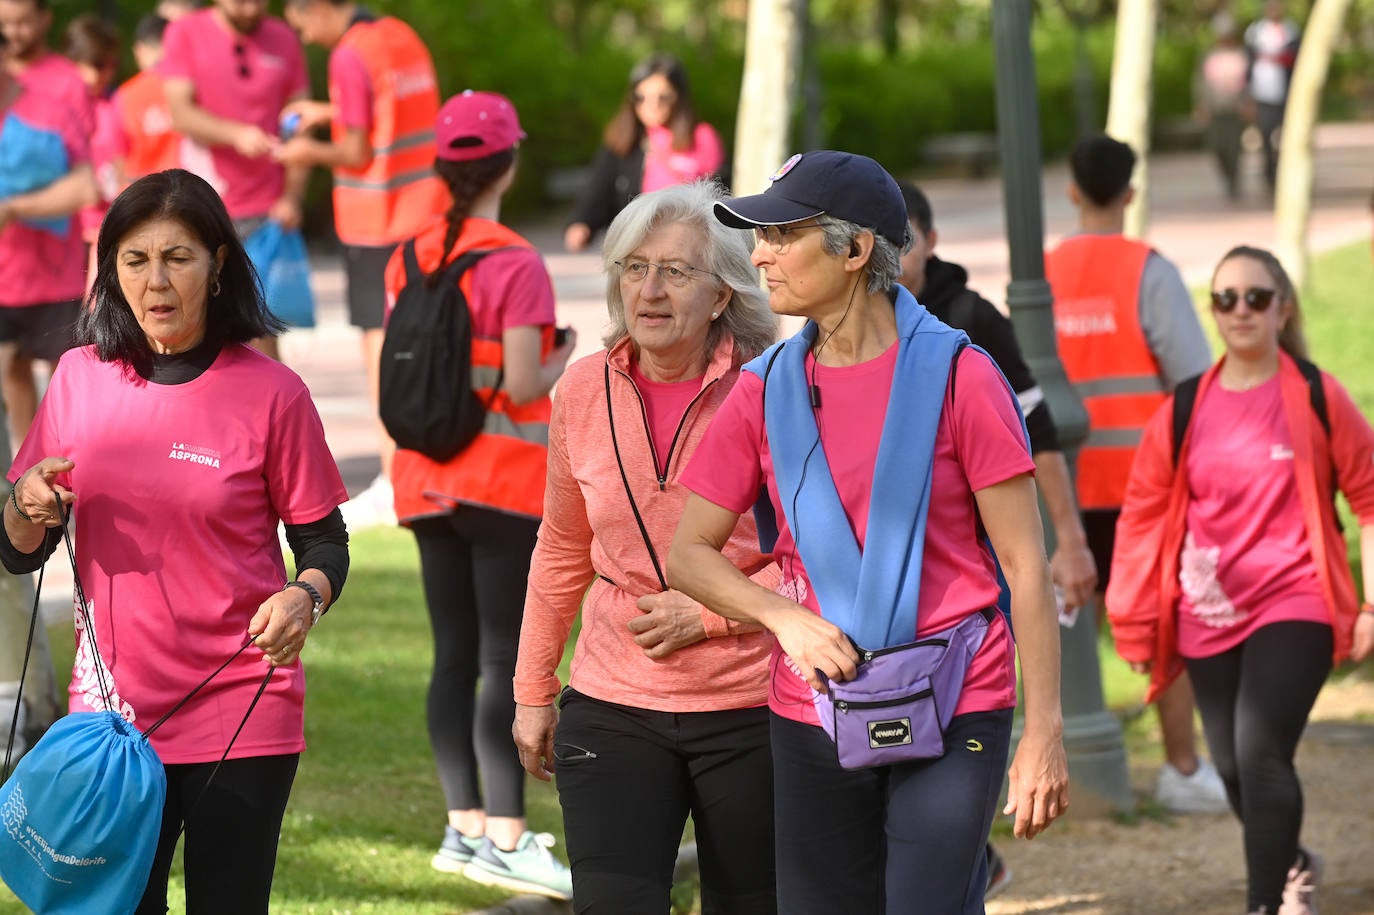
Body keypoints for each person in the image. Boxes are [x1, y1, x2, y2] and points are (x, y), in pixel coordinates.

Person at [667, 150, 1070, 913]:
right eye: (761, 236)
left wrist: (1044, 728)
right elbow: (687, 553)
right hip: (814, 704)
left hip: (959, 697)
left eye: (784, 234)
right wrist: (785, 619)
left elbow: (1025, 566)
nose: (759, 254)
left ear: (855, 251)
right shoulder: (760, 392)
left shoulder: (964, 375)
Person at [0, 168, 350, 914]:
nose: (156, 281)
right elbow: (18, 548)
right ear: (112, 271)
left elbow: (325, 544)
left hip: (243, 704)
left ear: (218, 263)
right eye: (135, 259)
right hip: (110, 718)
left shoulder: (272, 394)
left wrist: (304, 595)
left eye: (178, 257)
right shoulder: (76, 379)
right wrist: (25, 503)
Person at [512, 181, 779, 912]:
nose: (650, 290)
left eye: (676, 271)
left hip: (753, 699)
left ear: (722, 295)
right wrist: (532, 691)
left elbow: (820, 559)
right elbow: (562, 549)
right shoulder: (581, 390)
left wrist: (714, 614)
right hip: (613, 698)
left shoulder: (774, 392)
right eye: (635, 268)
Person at [1107, 245, 1374, 915]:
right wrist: (1135, 616)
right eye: (1226, 298)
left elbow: (1369, 498)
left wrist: (1371, 605)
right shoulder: (1185, 406)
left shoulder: (1317, 394)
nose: (1240, 310)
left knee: (1259, 753)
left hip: (1297, 597)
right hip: (1207, 610)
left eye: (1256, 296)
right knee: (1231, 769)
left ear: (1283, 309)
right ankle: (1292, 862)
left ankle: (1264, 903)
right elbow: (1141, 516)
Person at [384, 90, 577, 901]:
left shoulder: (408, 254)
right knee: (504, 658)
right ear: (509, 163)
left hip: (424, 479)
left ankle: (463, 827)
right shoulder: (517, 264)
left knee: (452, 656)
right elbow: (529, 381)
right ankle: (506, 835)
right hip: (500, 483)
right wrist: (567, 352)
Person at [897, 178, 1097, 899]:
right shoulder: (830, 337)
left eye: (906, 237)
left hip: (974, 568)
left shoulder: (970, 320)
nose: (894, 254)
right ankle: (963, 857)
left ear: (931, 239)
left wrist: (1067, 542)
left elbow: (1039, 433)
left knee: (953, 718)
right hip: (890, 577)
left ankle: (966, 852)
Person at [1046, 133, 1228, 816]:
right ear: (1130, 193)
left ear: (1070, 190)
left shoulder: (1042, 274)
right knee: (1162, 630)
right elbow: (1193, 382)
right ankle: (1181, 769)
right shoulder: (1149, 271)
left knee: (1067, 637)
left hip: (1061, 487)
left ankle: (1062, 776)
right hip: (1140, 489)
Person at [277, 0, 447, 529]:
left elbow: (354, 150)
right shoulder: (400, 37)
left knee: (382, 354)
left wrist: (302, 155)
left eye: (299, 18)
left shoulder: (348, 56)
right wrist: (328, 114)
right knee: (424, 350)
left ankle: (395, 482)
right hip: (426, 212)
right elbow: (391, 116)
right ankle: (429, 474)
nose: (300, 31)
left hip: (377, 220)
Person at [161, 0, 311, 359]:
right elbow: (180, 113)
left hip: (266, 211)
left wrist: (293, 195)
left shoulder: (284, 38)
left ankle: (269, 413)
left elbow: (299, 124)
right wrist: (235, 134)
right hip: (201, 204)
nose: (248, 8)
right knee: (192, 323)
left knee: (260, 329)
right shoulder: (185, 33)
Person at [0, 0, 97, 449]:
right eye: (6, 24)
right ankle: (23, 467)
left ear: (43, 19)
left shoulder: (59, 91)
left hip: (54, 268)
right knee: (11, 369)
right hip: (6, 274)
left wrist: (18, 207)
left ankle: (66, 458)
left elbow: (86, 178)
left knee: (64, 372)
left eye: (22, 21)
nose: (15, 32)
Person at [564, 52, 723, 253]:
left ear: (679, 97)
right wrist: (581, 222)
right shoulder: (624, 139)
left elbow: (718, 196)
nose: (652, 104)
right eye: (641, 97)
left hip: (690, 247)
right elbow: (598, 189)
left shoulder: (702, 137)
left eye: (663, 97)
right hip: (636, 243)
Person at [63, 13, 123, 291]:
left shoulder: (112, 108)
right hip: (62, 235)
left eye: (109, 65)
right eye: (96, 64)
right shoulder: (50, 111)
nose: (104, 74)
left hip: (103, 233)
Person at [112, 14, 184, 185]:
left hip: (142, 191)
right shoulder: (190, 85)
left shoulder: (125, 95)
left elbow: (118, 156)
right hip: (189, 188)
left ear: (139, 49)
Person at [1244, 0, 1301, 193]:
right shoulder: (1255, 32)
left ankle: (1288, 173)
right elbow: (1248, 65)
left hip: (1287, 94)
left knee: (1287, 136)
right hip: (1263, 93)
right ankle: (1270, 174)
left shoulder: (1291, 31)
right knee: (1266, 134)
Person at [1195, 13, 1252, 200]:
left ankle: (1234, 183)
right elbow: (1199, 82)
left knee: (1235, 148)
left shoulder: (1242, 55)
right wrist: (1201, 105)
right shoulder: (1208, 55)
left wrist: (1249, 103)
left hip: (1236, 109)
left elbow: (1250, 81)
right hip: (1215, 109)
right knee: (1217, 148)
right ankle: (1227, 175)